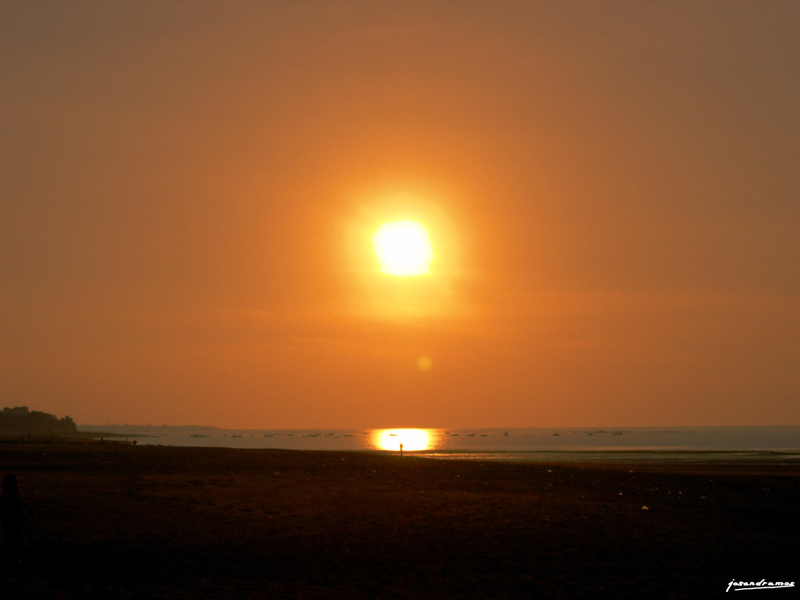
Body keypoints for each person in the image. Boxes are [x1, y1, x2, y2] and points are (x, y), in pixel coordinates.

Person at [1, 474, 28, 565]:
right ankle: (13, 559)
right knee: (14, 539)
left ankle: (13, 558)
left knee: (13, 539)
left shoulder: (8, 495)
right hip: (13, 521)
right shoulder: (10, 496)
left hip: (12, 521)